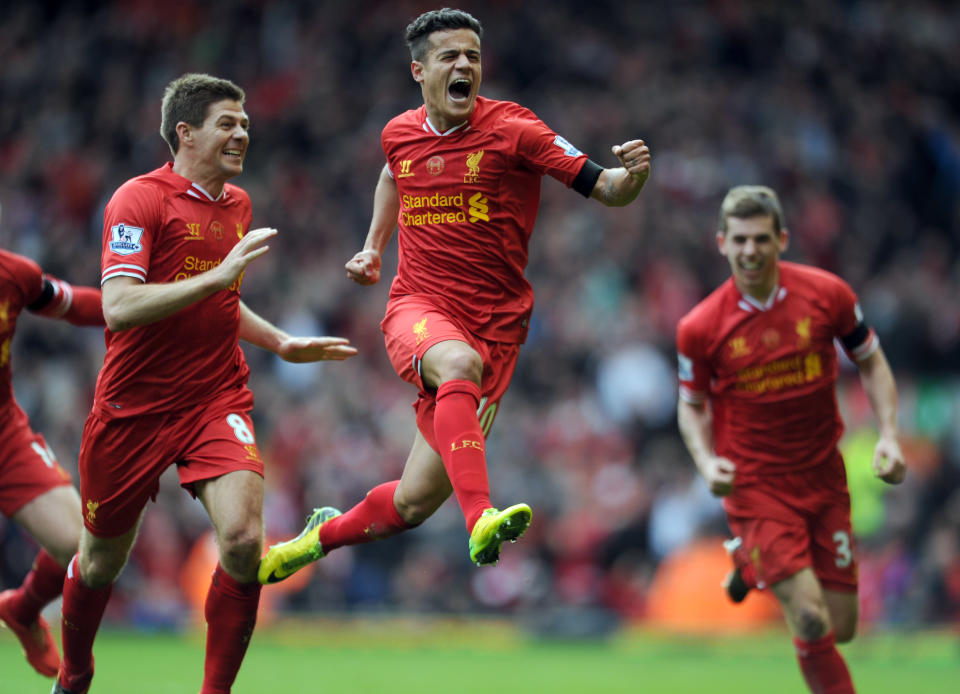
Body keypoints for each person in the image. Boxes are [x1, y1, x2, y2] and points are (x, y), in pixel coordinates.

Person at [258, 8, 650, 585]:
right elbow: (394, 173)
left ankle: (317, 536)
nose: (465, 64)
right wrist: (373, 246)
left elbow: (606, 188)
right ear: (419, 70)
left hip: (497, 330)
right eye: (449, 56)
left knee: (413, 504)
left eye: (472, 55)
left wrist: (632, 178)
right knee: (456, 361)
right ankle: (481, 517)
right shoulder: (398, 132)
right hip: (418, 308)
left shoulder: (517, 130)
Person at [52, 73, 357, 694]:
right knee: (100, 561)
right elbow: (119, 306)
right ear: (185, 133)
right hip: (133, 406)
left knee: (245, 541)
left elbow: (221, 304)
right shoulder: (136, 200)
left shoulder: (237, 205)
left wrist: (281, 342)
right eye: (228, 123)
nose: (243, 133)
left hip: (215, 396)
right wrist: (216, 279)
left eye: (245, 123)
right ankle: (75, 673)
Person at [675, 185, 906, 694]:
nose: (749, 251)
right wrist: (706, 462)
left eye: (760, 238)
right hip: (756, 485)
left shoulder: (829, 295)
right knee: (808, 617)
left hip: (823, 476)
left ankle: (748, 563)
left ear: (782, 239)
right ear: (721, 243)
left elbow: (870, 359)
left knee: (840, 625)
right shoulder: (700, 326)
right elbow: (691, 406)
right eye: (739, 240)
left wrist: (889, 434)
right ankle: (757, 551)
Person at [0, 250, 101, 679]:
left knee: (83, 547)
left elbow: (71, 304)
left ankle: (21, 610)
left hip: (4, 437)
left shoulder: (13, 274)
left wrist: (148, 306)